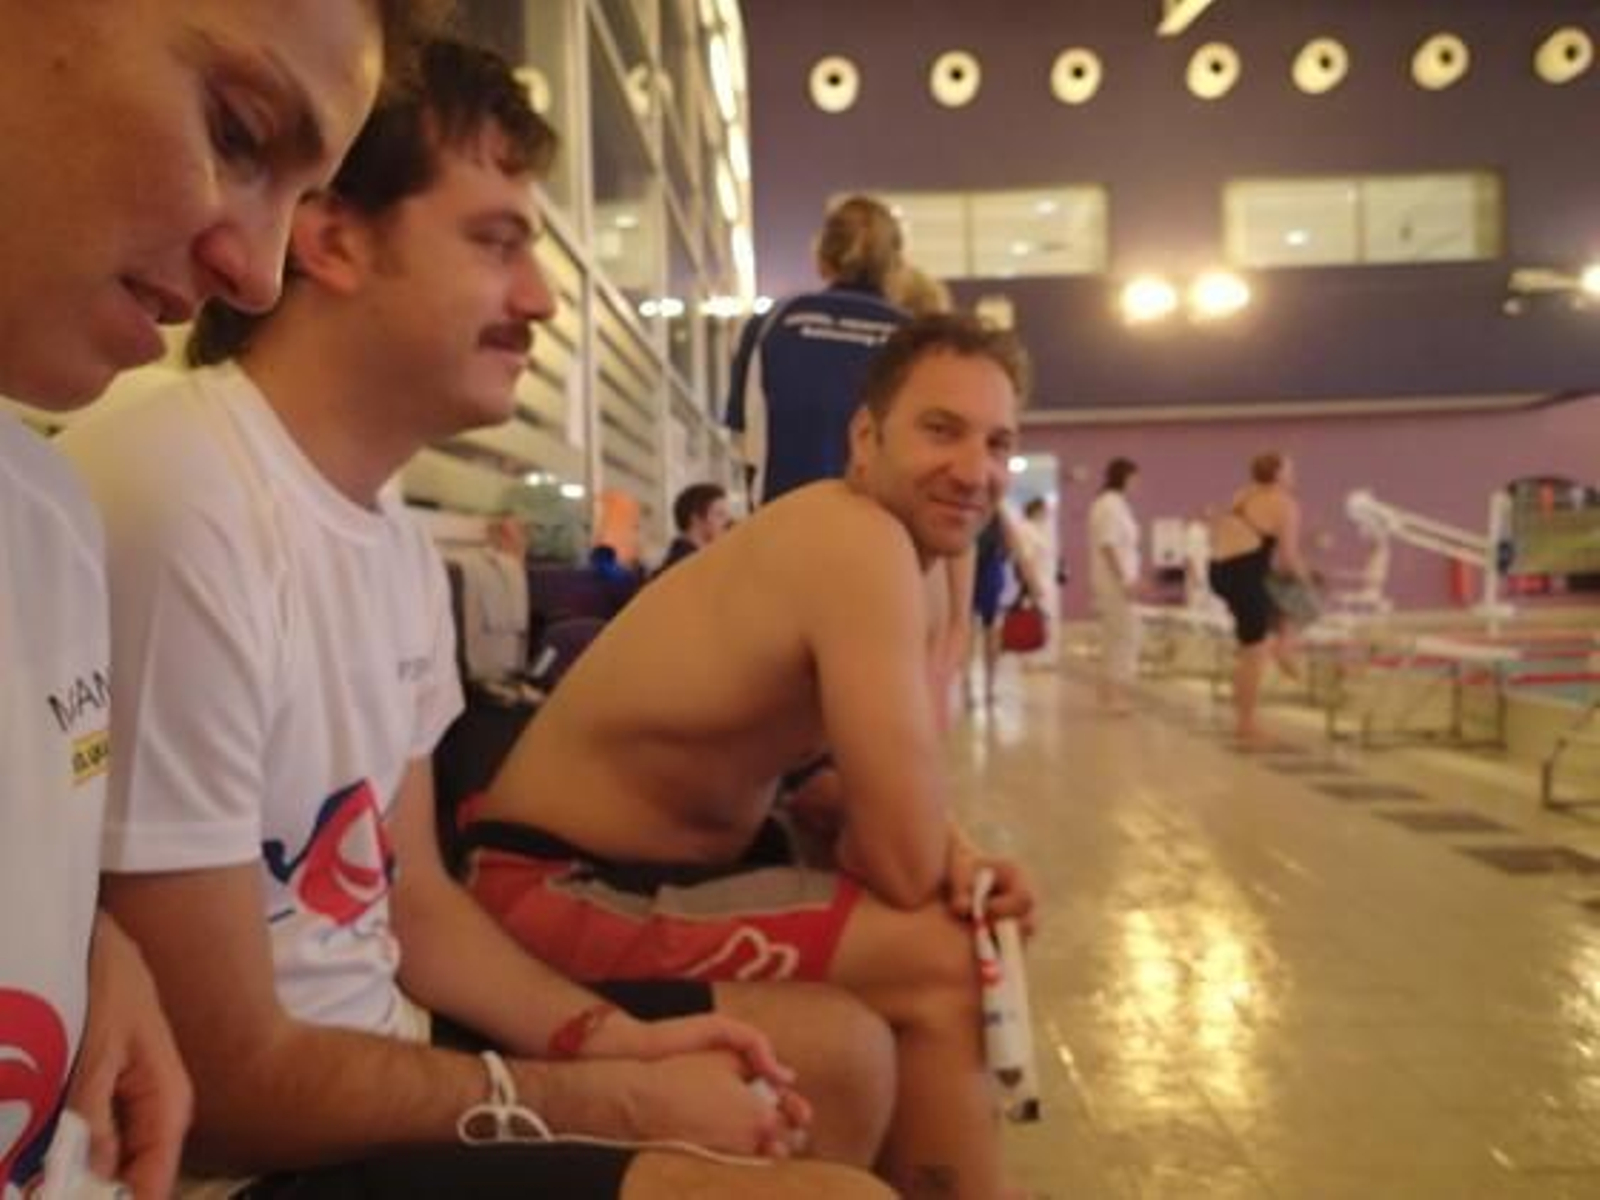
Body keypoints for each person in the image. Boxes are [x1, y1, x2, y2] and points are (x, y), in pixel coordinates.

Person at [62, 38, 892, 1200]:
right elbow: (225, 1081)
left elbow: (412, 896)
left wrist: (607, 1042)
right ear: (336, 236)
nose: (544, 300)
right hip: (232, 1154)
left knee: (841, 1057)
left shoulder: (391, 535)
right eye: (496, 243)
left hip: (373, 1059)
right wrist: (608, 1101)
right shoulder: (180, 489)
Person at [0, 3, 441, 1194]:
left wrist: (75, 937)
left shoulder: (40, 519)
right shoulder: (157, 491)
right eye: (239, 133)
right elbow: (246, 1072)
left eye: (298, 196)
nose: (255, 270)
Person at [464, 314, 1039, 1200]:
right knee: (945, 959)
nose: (976, 470)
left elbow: (852, 795)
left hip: (646, 880)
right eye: (941, 430)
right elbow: (899, 858)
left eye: (998, 443)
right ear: (864, 436)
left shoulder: (903, 559)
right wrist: (932, 852)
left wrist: (960, 857)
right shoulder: (853, 540)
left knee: (952, 926)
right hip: (549, 892)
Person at [725, 195, 906, 505]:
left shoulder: (770, 324)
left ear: (822, 255)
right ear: (895, 262)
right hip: (884, 533)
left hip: (784, 526)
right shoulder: (915, 339)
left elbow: (742, 438)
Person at [1207, 451, 1311, 742]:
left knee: (1249, 648)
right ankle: (1247, 724)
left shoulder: (1243, 495)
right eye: (1290, 470)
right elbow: (1289, 558)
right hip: (1244, 575)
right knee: (1255, 653)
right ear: (1278, 474)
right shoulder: (1285, 504)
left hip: (1220, 571)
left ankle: (1283, 643)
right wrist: (1307, 580)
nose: (1294, 475)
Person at [1087, 458, 1142, 713]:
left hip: (1120, 578)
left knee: (1119, 635)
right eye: (1134, 478)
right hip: (1115, 582)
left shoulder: (1116, 505)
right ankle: (1114, 694)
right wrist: (1124, 580)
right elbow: (1108, 546)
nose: (1136, 484)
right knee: (1122, 636)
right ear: (1125, 477)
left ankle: (1110, 691)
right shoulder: (1109, 505)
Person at [657, 482, 731, 574]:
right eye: (720, 514)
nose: (728, 521)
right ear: (695, 519)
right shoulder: (679, 568)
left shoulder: (706, 561)